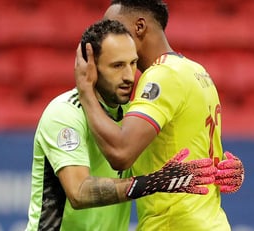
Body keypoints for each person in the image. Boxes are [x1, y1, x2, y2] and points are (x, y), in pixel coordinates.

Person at [25, 19, 217, 231]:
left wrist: (219, 170)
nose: (129, 76)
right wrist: (151, 183)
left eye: (132, 63)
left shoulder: (130, 116)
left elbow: (170, 163)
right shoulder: (65, 113)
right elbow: (79, 192)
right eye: (117, 66)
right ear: (90, 66)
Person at [74, 0, 245, 230]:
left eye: (114, 28)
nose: (107, 38)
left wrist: (85, 92)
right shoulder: (196, 71)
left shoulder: (162, 76)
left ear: (140, 27)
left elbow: (121, 152)